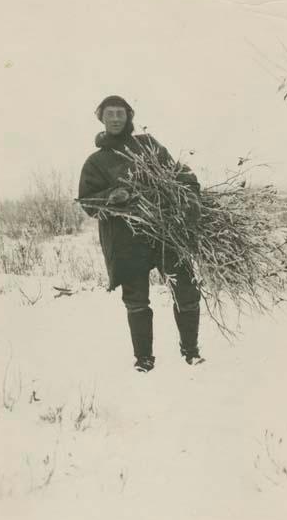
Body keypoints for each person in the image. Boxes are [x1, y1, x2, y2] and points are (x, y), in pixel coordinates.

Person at [78, 95, 204, 373]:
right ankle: (144, 360)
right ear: (101, 118)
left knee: (185, 289)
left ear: (129, 116)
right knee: (136, 300)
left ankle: (191, 351)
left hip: (165, 232)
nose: (115, 118)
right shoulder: (96, 162)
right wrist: (112, 195)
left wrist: (189, 194)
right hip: (126, 241)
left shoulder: (148, 146)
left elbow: (177, 172)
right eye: (109, 113)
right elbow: (87, 202)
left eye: (120, 113)